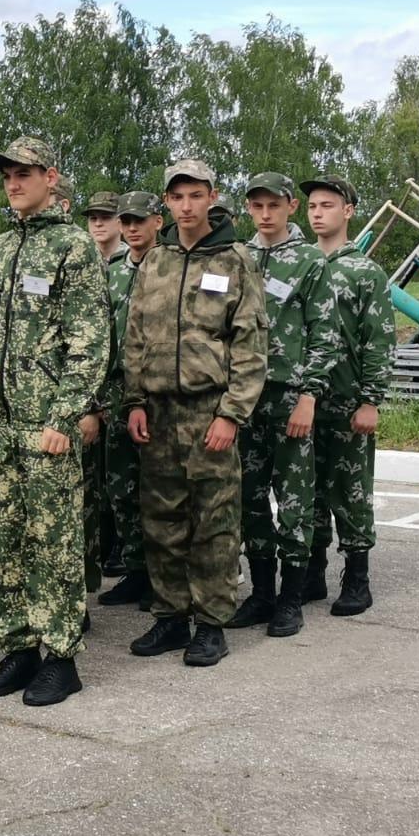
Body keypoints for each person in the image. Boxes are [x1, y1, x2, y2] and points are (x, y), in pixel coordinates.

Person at [0, 137, 110, 706]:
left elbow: (89, 340)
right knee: (3, 540)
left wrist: (66, 413)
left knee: (53, 541)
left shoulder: (73, 247)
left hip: (45, 423)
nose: (13, 183)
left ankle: (60, 657)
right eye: (6, 175)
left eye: (24, 173)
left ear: (51, 176)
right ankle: (18, 649)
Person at [122, 160, 267, 667]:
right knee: (162, 519)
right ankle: (170, 617)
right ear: (166, 202)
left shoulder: (235, 260)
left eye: (195, 195)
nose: (186, 206)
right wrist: (134, 400)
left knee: (214, 520)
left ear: (212, 197)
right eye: (177, 197)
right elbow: (135, 335)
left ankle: (211, 623)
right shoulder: (154, 262)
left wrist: (232, 413)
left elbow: (250, 344)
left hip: (210, 410)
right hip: (158, 412)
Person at [230, 172, 341, 638]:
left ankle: (291, 598)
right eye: (257, 206)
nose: (266, 214)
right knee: (248, 498)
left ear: (290, 207)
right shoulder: (238, 257)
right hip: (243, 397)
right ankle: (261, 594)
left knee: (293, 500)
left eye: (274, 205)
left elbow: (325, 333)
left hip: (289, 395)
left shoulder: (310, 262)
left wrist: (309, 396)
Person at [301, 174, 396, 615]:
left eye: (327, 205)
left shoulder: (364, 272)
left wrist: (371, 399)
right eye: (313, 206)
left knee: (351, 492)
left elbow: (379, 340)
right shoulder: (301, 264)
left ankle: (357, 578)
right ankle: (312, 573)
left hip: (347, 401)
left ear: (348, 212)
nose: (317, 213)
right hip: (304, 402)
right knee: (310, 490)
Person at [96, 190, 164, 610]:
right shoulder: (114, 271)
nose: (132, 228)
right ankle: (135, 570)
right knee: (121, 488)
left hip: (158, 393)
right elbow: (101, 331)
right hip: (118, 391)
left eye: (140, 220)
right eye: (126, 221)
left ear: (157, 221)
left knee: (160, 490)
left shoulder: (170, 266)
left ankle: (163, 576)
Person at [78, 190, 126, 599]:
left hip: (124, 386)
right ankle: (106, 548)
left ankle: (124, 550)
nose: (98, 223)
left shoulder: (131, 265)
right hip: (89, 386)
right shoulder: (82, 260)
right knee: (96, 475)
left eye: (106, 217)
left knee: (122, 476)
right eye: (92, 216)